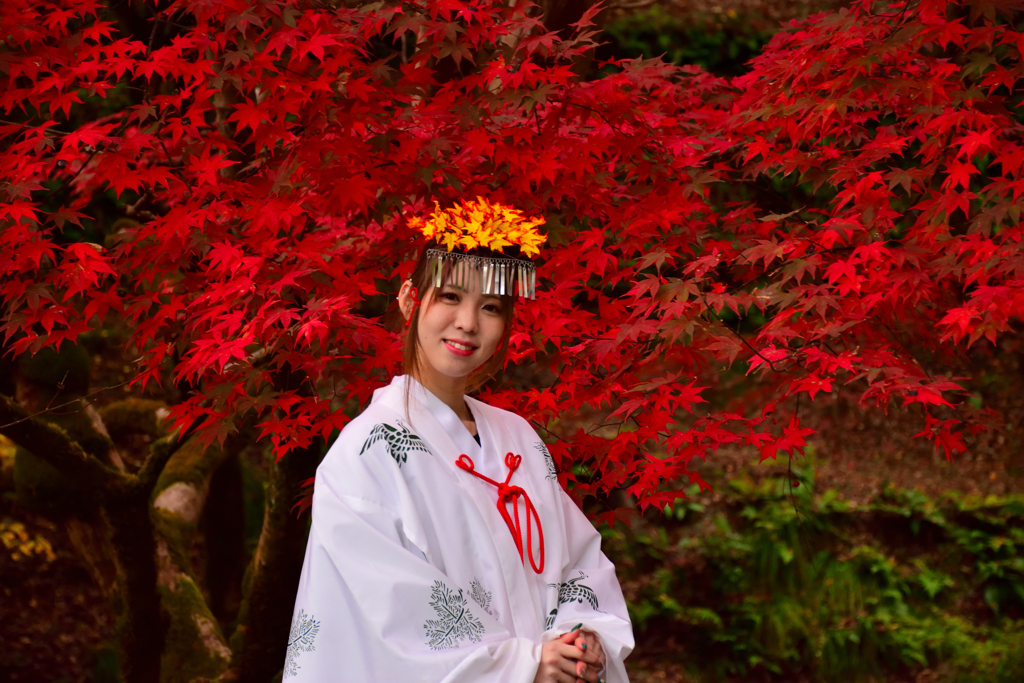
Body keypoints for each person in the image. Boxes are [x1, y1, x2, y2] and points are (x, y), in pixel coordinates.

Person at [285, 199, 634, 682]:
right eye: (450, 296)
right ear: (411, 300)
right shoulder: (365, 450)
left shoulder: (517, 436)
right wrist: (523, 665)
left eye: (490, 307)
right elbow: (392, 606)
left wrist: (582, 635)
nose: (468, 323)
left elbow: (579, 562)